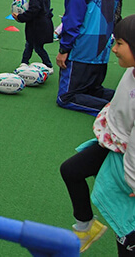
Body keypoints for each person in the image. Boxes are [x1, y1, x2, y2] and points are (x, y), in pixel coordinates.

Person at [59, 15, 135, 253]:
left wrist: (132, 181)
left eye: (119, 43)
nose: (114, 49)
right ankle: (86, 226)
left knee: (125, 228)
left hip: (126, 157)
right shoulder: (131, 71)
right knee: (71, 170)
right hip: (111, 143)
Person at [56, 0, 122, 115]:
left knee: (66, 97)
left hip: (82, 49)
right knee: (94, 90)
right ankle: (126, 101)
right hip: (102, 49)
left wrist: (64, 49)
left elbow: (73, 19)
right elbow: (117, 16)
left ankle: (118, 111)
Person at [13, 0, 55, 70]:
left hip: (37, 25)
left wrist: (20, 17)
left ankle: (48, 65)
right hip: (44, 23)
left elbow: (33, 11)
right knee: (30, 44)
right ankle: (24, 62)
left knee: (36, 46)